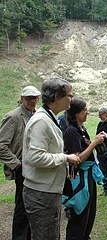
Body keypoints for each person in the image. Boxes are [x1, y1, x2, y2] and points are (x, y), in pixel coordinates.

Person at [22, 76, 81, 239]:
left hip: (48, 191)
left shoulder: (49, 117)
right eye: (69, 95)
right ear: (56, 97)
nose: (71, 99)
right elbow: (35, 157)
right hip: (41, 193)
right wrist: (65, 158)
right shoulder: (41, 121)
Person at [0, 86, 41, 240]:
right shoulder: (13, 117)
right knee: (22, 208)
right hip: (23, 168)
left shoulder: (37, 114)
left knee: (33, 207)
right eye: (28, 97)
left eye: (35, 97)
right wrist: (17, 164)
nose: (32, 100)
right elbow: (1, 146)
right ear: (22, 98)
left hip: (36, 167)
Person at [63, 98, 107, 240]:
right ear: (76, 113)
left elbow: (85, 147)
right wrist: (94, 143)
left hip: (88, 177)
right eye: (84, 110)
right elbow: (77, 159)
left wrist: (97, 140)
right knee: (79, 215)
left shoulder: (82, 129)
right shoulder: (71, 131)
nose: (87, 112)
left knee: (89, 214)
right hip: (79, 180)